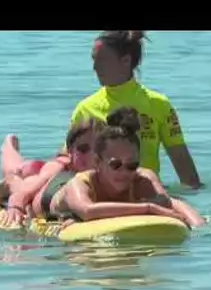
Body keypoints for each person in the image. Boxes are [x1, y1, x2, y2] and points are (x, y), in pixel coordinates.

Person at [67, 30, 203, 189]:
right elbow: (67, 159)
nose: (95, 67)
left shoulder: (159, 104)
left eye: (102, 60)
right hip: (99, 195)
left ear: (125, 61)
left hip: (147, 192)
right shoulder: (85, 108)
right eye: (94, 60)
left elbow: (184, 166)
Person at [48, 107, 205, 227]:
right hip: (52, 197)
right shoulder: (79, 183)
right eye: (115, 164)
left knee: (175, 201)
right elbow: (88, 211)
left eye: (132, 165)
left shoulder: (142, 177)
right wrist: (148, 208)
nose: (124, 172)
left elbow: (164, 202)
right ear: (97, 162)